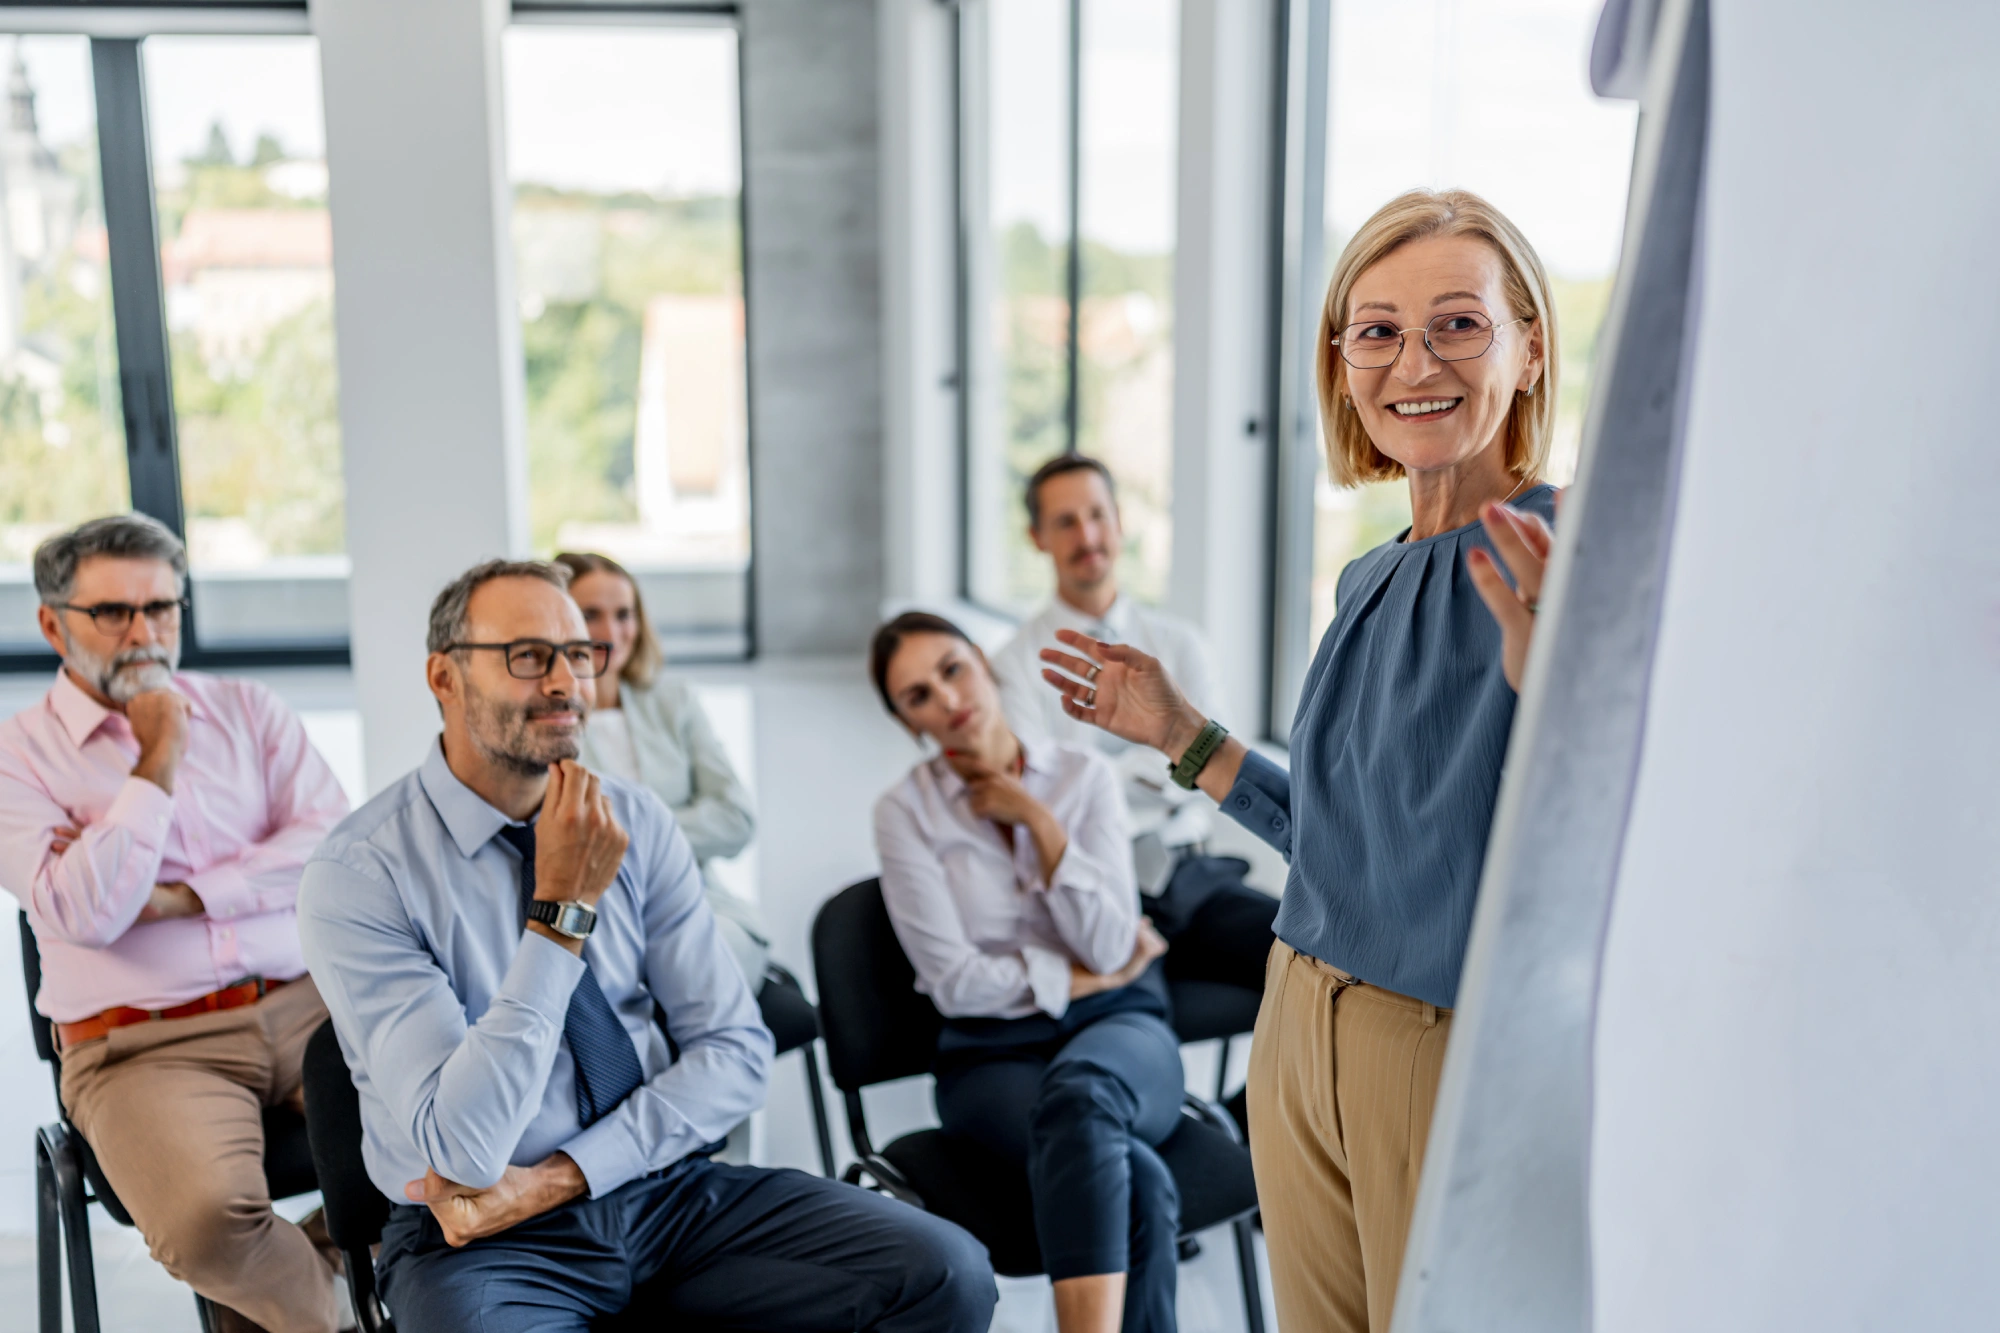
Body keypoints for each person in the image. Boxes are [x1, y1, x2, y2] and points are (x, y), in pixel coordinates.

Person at [1035, 188, 1562, 1333]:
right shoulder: (1364, 580)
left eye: (1458, 323)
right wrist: (1182, 733)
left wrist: (1558, 695)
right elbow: (1331, 837)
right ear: (1340, 363)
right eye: (1374, 329)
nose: (1411, 359)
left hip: (1434, 1041)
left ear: (1527, 349)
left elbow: (1615, 838)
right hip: (1296, 1014)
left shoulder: (1559, 562)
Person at [297, 560, 994, 1333]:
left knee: (945, 1272)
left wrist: (566, 1176)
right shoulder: (360, 873)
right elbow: (465, 1148)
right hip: (480, 1239)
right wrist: (561, 912)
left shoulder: (635, 817)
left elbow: (735, 1049)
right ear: (445, 677)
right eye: (528, 655)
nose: (566, 681)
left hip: (662, 1192)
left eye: (579, 653)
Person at [0, 514, 351, 1333]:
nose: (143, 632)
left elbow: (334, 848)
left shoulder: (250, 709)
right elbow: (86, 911)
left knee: (463, 1128)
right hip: (141, 1044)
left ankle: (268, 1307)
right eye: (112, 612)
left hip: (310, 1002)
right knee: (205, 1224)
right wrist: (156, 757)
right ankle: (341, 1311)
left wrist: (179, 897)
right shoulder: (16, 757)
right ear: (53, 623)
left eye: (161, 607)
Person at [871, 610, 1182, 1333]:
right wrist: (1080, 979)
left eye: (952, 668)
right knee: (1142, 1185)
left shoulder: (1085, 777)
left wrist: (1040, 825)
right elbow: (956, 983)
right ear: (906, 719)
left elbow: (1108, 946)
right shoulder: (904, 814)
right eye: (918, 695)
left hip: (1120, 1026)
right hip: (988, 1054)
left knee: (1083, 1093)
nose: (947, 700)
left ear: (982, 660)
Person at [989, 455, 1277, 997]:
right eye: (1065, 522)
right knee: (1134, 1030)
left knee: (1309, 965)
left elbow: (1219, 764)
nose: (1087, 535)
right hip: (1089, 890)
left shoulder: (1180, 644)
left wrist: (1093, 785)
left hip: (1189, 874)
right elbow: (1040, 794)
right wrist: (1162, 767)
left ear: (1119, 521)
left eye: (1097, 515)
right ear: (1036, 537)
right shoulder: (1012, 664)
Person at [553, 551, 768, 987]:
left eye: (624, 614)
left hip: (702, 903)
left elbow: (736, 819)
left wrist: (627, 835)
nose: (611, 632)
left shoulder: (675, 702)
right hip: (602, 915)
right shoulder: (549, 717)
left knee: (707, 964)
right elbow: (567, 840)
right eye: (590, 614)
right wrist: (680, 828)